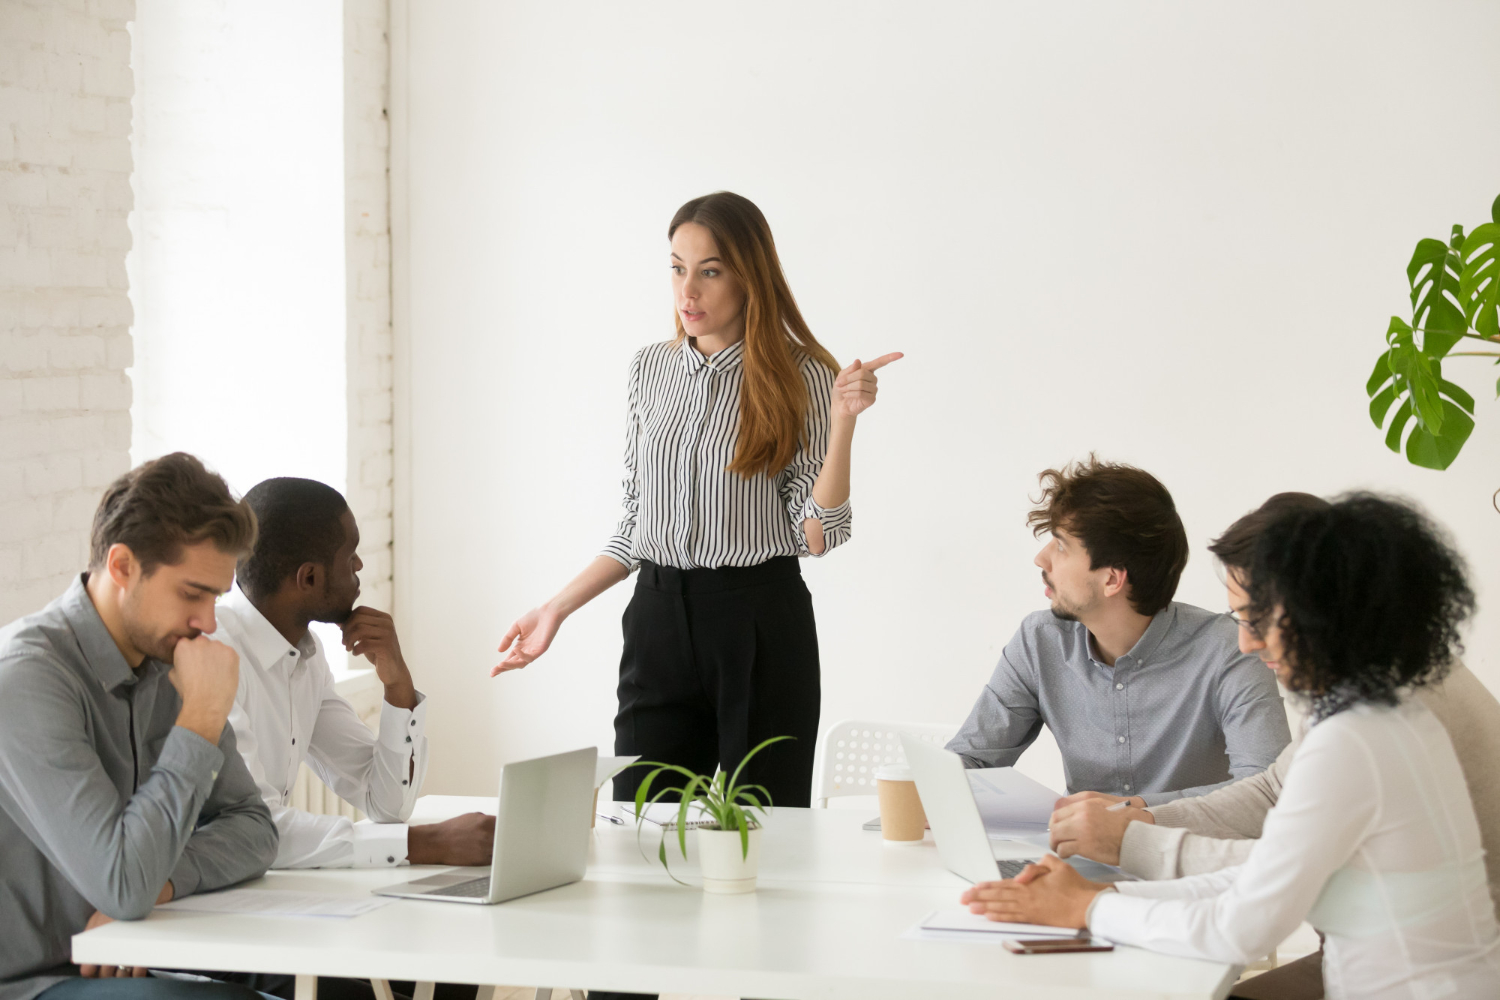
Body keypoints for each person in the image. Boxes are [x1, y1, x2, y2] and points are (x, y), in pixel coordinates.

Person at [961, 494, 1500, 1000]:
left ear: (1322, 612)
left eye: (1255, 619)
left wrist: (1091, 907)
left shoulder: (1353, 741)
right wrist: (1098, 895)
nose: (1245, 641)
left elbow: (1239, 927)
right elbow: (1264, 865)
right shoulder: (1385, 708)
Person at [493, 191, 900, 810]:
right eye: (678, 268)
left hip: (760, 622)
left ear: (749, 276)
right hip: (657, 619)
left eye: (710, 271)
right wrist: (556, 609)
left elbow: (817, 533)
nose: (690, 291)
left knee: (765, 834)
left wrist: (845, 421)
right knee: (642, 823)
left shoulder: (804, 376)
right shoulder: (648, 370)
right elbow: (637, 525)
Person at [0, 453, 277, 1000]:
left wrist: (162, 883)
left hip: (138, 954)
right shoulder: (28, 679)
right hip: (35, 980)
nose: (208, 622)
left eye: (216, 597)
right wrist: (200, 718)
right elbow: (124, 885)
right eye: (191, 593)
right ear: (123, 566)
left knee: (344, 986)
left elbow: (255, 828)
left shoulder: (171, 657)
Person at [946, 456, 1290, 804]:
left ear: (1111, 579)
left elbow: (1265, 788)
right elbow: (973, 759)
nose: (1042, 559)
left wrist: (1130, 811)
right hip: (1071, 856)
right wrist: (934, 790)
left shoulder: (1230, 648)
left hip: (1186, 854)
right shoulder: (1040, 640)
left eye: (1062, 546)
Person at [215, 477, 493, 871]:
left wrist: (398, 685)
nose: (360, 566)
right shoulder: (215, 655)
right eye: (350, 556)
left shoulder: (305, 656)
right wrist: (425, 843)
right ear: (308, 578)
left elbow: (385, 802)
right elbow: (253, 828)